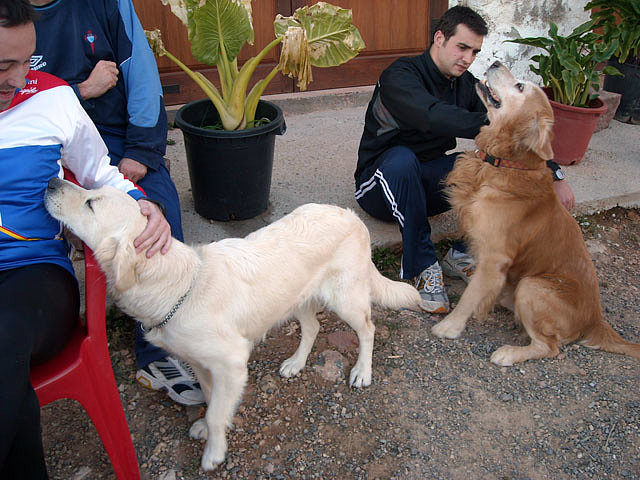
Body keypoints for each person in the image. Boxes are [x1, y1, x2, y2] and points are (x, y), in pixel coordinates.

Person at [0, 0, 173, 475]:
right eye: (2, 65)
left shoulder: (51, 97)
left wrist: (142, 203)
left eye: (25, 61)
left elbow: (100, 174)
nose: (17, 79)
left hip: (31, 277)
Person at [29, 0, 204, 406]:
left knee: (157, 220)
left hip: (111, 146)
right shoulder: (11, 18)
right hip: (42, 148)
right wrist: (81, 89)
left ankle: (159, 349)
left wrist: (141, 153)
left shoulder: (107, 3)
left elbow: (142, 78)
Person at [354, 5, 575, 314]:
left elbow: (514, 131)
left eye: (474, 51)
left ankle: (461, 254)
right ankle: (422, 267)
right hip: (379, 184)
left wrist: (553, 171)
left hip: (426, 182)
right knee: (402, 160)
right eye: (462, 47)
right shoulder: (400, 75)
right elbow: (432, 115)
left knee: (481, 161)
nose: (468, 58)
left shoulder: (465, 84)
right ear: (439, 38)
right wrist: (500, 122)